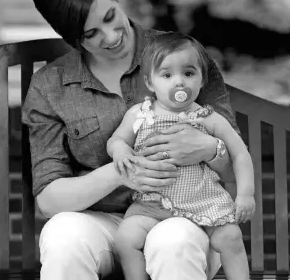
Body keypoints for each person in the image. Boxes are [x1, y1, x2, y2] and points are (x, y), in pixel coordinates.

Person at [22, 0, 239, 280]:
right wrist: (122, 173)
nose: (110, 37)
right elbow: (50, 201)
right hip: (101, 224)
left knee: (172, 241)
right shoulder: (50, 85)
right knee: (63, 235)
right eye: (91, 33)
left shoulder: (183, 56)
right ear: (72, 40)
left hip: (184, 216)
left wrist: (210, 149)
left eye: (111, 16)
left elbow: (236, 163)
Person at [107, 32, 255, 280]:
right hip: (152, 204)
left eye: (188, 73)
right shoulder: (139, 114)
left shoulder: (209, 118)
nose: (179, 82)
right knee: (125, 239)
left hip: (203, 202)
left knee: (230, 237)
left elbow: (240, 154)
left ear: (201, 80)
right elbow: (116, 140)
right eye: (167, 75)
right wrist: (120, 149)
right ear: (151, 83)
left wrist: (246, 194)